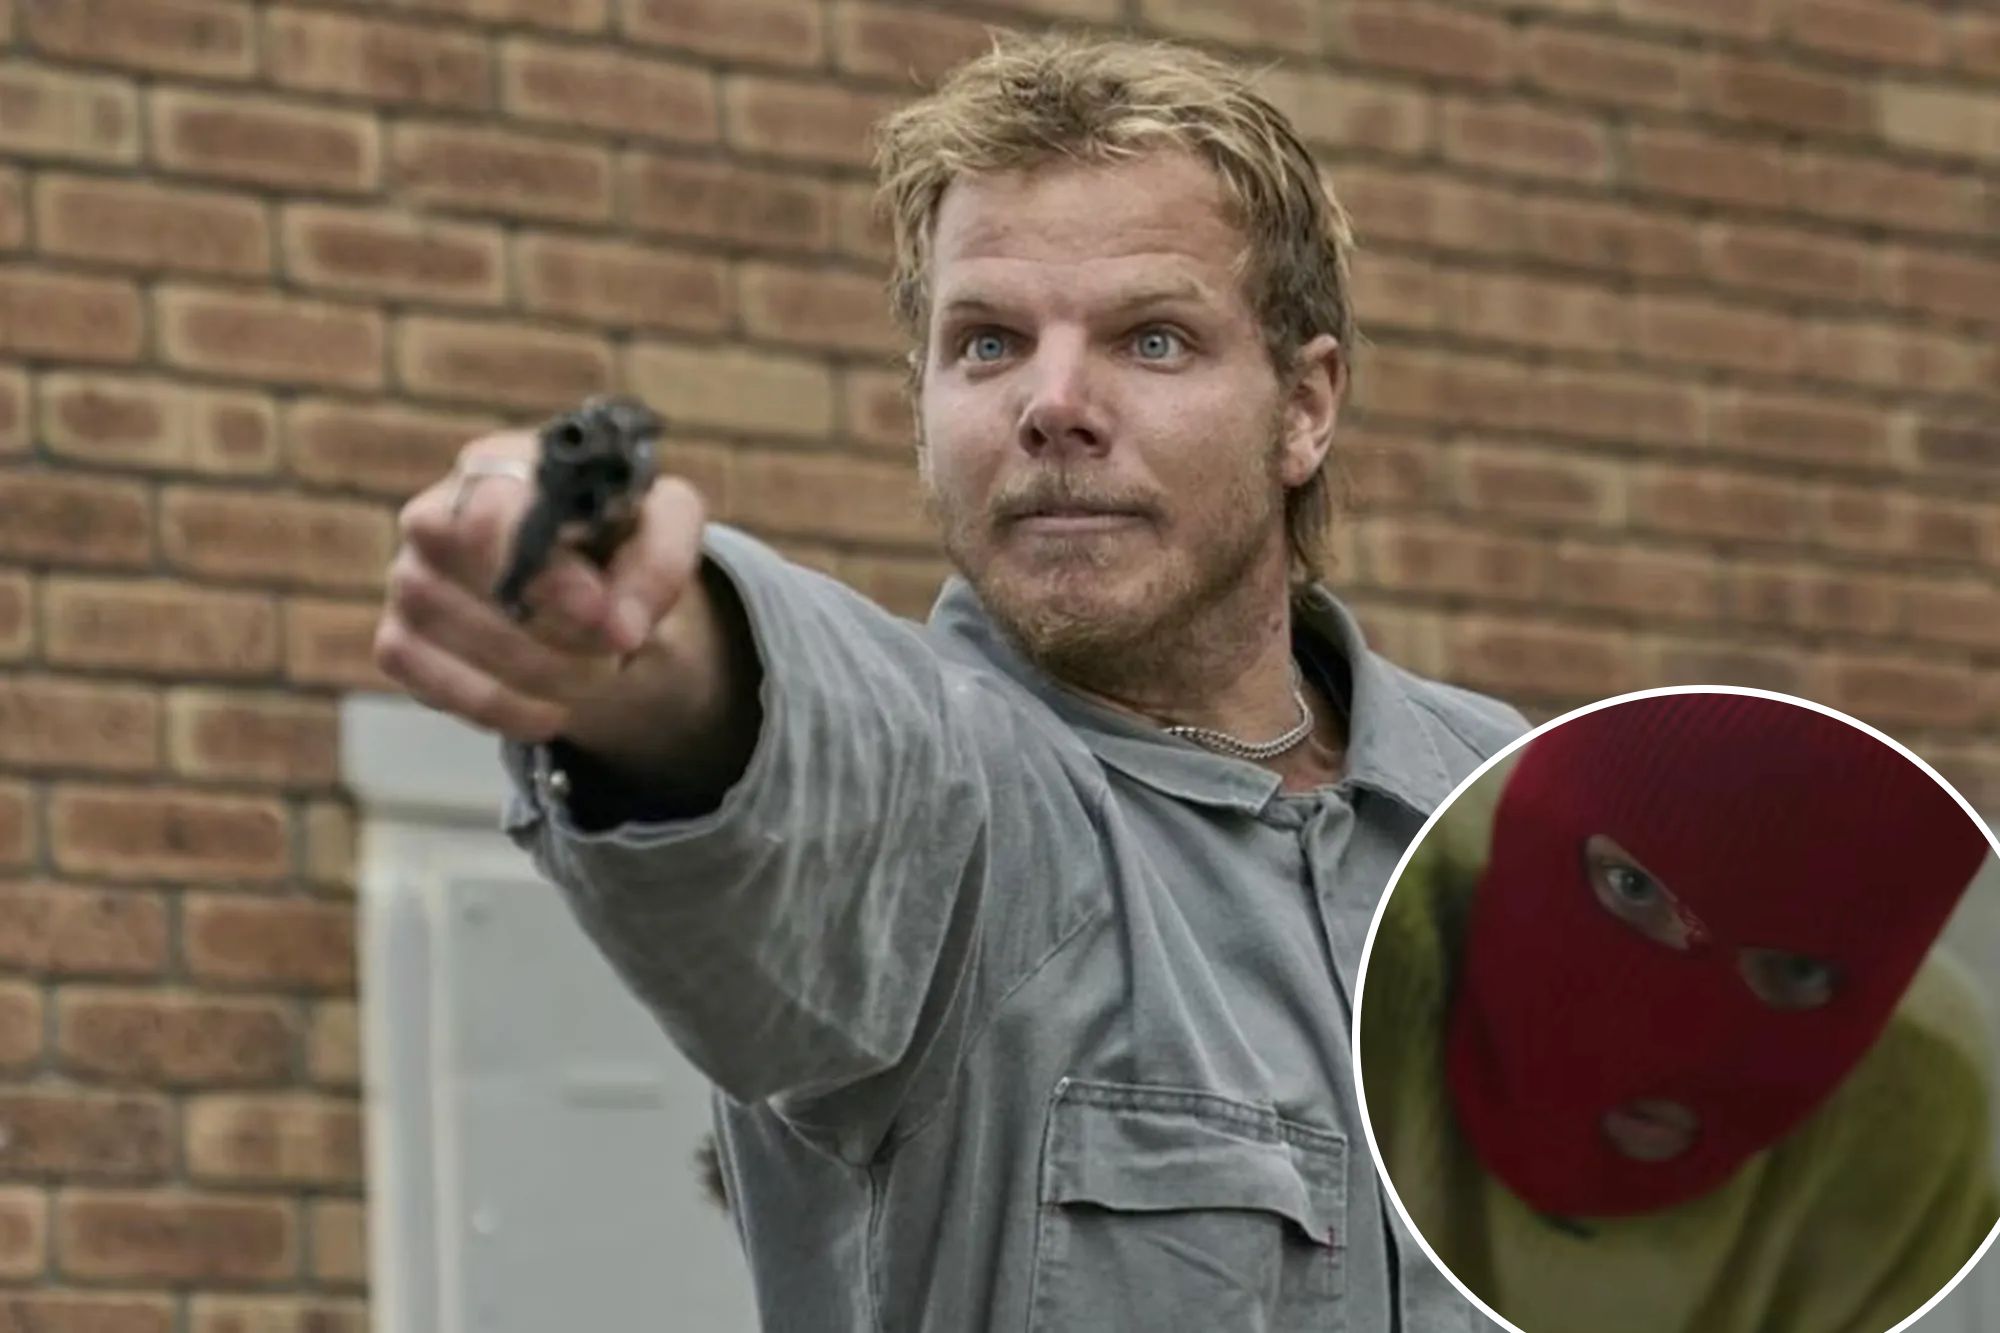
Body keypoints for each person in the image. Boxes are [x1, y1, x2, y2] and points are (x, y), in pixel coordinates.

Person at [374, 31, 1527, 1333]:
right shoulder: (968, 812)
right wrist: (632, 634)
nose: (1052, 402)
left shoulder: (1514, 805)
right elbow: (806, 749)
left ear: (1304, 407)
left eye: (1151, 340)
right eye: (986, 343)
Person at [1360, 690, 1999, 1333]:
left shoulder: (1915, 1114)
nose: (1672, 1044)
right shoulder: (1374, 926)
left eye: (1798, 970)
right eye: (1632, 888)